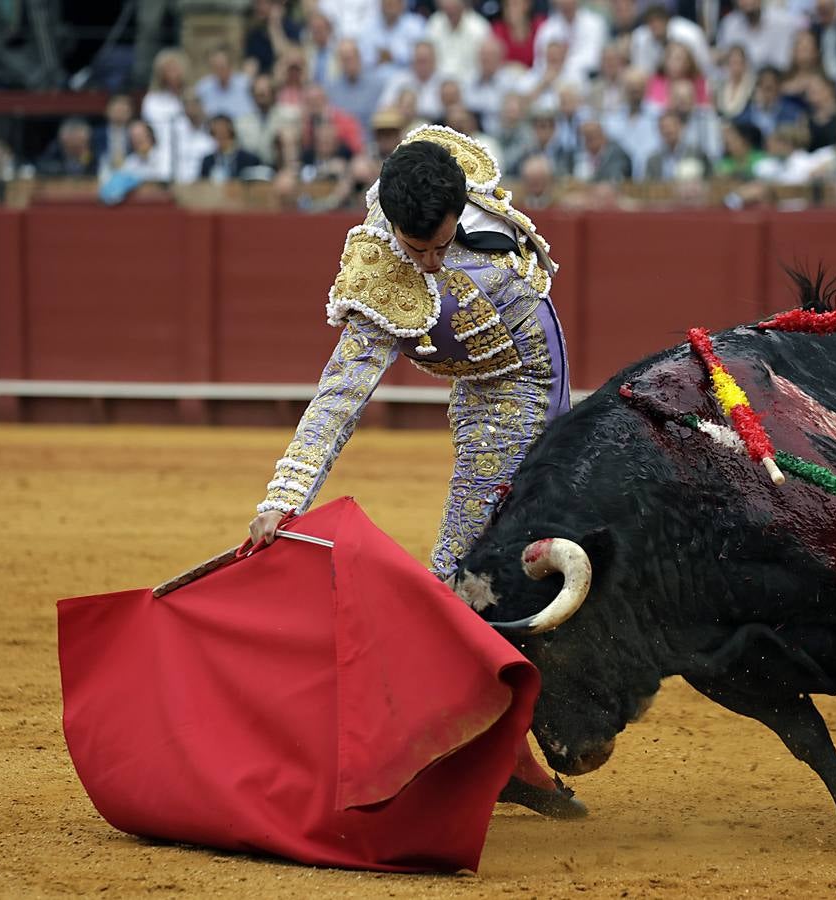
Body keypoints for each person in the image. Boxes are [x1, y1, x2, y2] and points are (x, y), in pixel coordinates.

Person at [246, 125, 583, 819]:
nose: (426, 264)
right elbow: (337, 399)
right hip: (495, 407)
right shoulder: (381, 277)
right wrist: (283, 495)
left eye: (438, 245)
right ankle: (480, 755)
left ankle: (505, 748)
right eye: (414, 248)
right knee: (461, 582)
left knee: (504, 570)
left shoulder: (448, 177)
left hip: (544, 387)